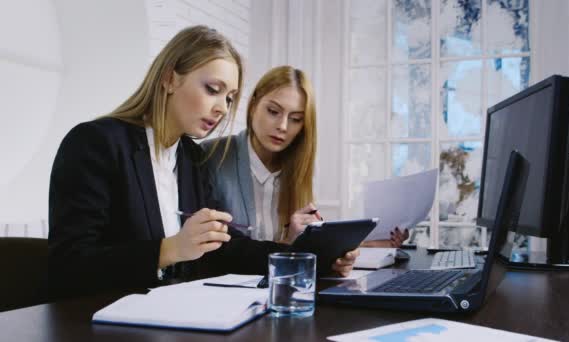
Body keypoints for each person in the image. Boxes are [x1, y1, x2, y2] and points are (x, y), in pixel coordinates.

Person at [48, 26, 357, 299]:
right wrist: (169, 250)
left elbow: (225, 246)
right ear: (169, 79)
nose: (222, 108)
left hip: (176, 320)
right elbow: (71, 266)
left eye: (230, 97)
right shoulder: (96, 143)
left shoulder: (191, 157)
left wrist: (311, 255)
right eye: (213, 90)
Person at [201, 65, 408, 247]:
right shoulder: (211, 156)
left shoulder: (296, 170)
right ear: (254, 105)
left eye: (296, 119)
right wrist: (288, 244)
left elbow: (307, 248)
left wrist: (370, 246)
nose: (282, 126)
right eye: (273, 111)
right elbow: (220, 254)